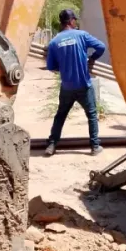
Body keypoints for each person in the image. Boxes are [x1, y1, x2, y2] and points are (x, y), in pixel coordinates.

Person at [44, 8, 106, 156]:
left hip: (67, 86)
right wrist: (92, 58)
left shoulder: (54, 42)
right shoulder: (82, 35)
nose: (76, 22)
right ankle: (95, 147)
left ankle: (52, 145)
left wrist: (64, 66)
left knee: (60, 115)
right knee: (91, 115)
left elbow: (51, 67)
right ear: (71, 21)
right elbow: (101, 47)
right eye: (75, 20)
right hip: (84, 85)